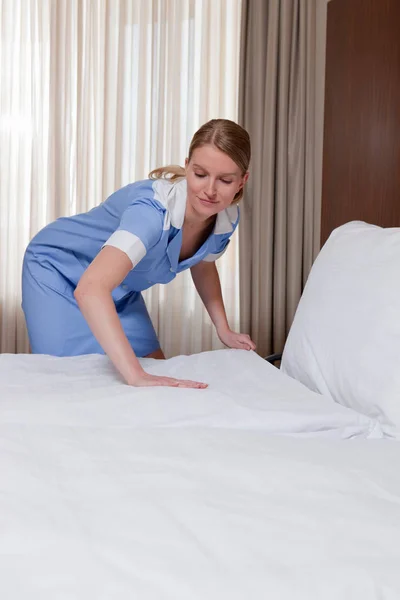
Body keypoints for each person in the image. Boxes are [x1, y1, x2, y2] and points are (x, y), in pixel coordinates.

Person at [22, 118, 256, 388]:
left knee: (155, 374)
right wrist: (136, 376)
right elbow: (91, 289)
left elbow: (203, 263)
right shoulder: (152, 213)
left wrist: (223, 329)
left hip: (117, 286)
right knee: (80, 382)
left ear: (242, 181)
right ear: (187, 166)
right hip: (57, 269)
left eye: (225, 180)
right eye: (200, 174)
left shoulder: (226, 216)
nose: (210, 190)